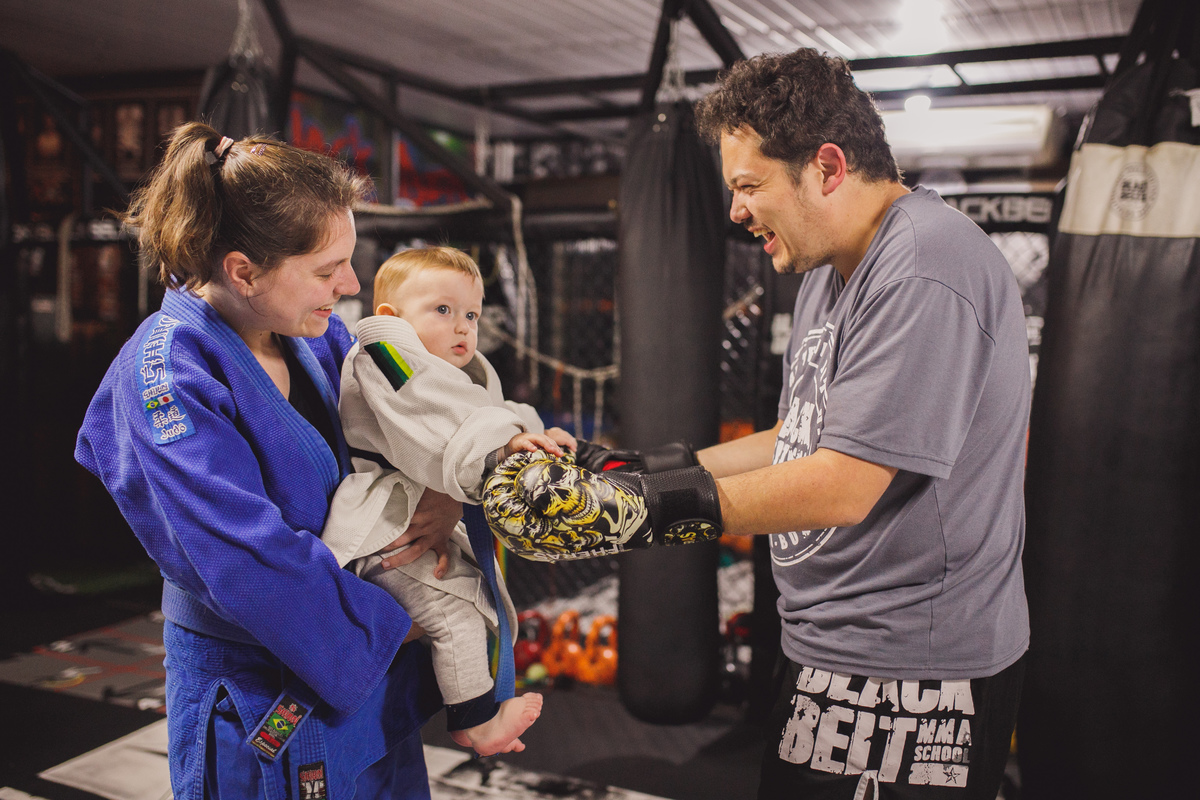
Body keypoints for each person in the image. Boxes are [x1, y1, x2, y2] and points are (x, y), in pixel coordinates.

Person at [485, 48, 1030, 800]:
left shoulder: (924, 264)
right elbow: (801, 439)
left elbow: (844, 484)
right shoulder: (826, 268)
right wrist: (633, 470)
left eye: (749, 186)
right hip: (829, 645)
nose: (737, 211)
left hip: (910, 667)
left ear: (828, 167)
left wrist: (644, 513)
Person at [75, 123, 459, 800]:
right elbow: (243, 555)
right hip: (266, 671)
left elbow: (412, 404)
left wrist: (459, 472)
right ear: (243, 271)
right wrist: (399, 620)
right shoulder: (167, 374)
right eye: (326, 270)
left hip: (359, 662)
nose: (351, 282)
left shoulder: (320, 334)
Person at [321, 246, 573, 755]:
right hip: (386, 527)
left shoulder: (451, 370)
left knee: (472, 601)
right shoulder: (385, 356)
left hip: (412, 513)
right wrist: (503, 444)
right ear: (392, 317)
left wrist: (530, 431)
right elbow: (441, 425)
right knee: (453, 611)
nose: (462, 327)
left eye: (471, 314)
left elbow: (485, 410)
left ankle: (474, 704)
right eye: (443, 310)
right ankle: (475, 723)